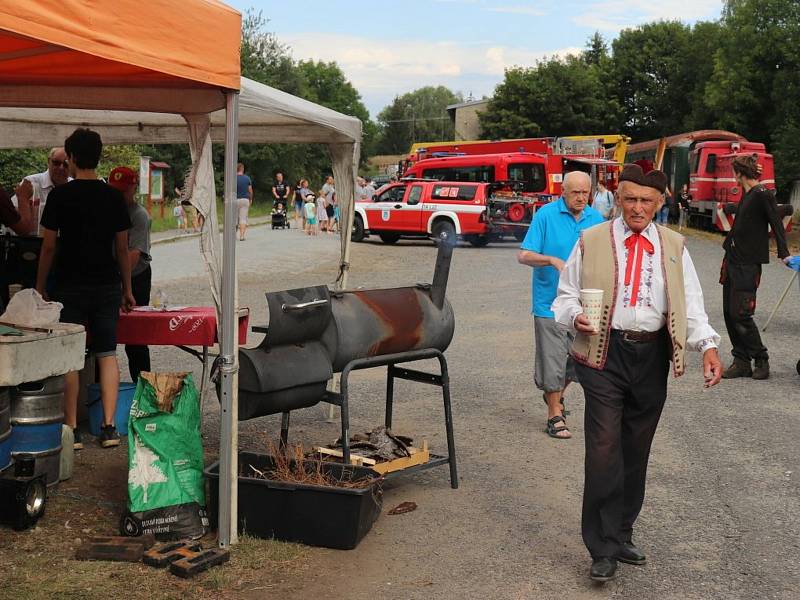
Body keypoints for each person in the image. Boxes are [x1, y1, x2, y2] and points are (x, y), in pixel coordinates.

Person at [552, 164, 722, 582]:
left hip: (650, 358)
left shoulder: (674, 245)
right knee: (605, 447)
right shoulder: (591, 240)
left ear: (661, 203)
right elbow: (565, 295)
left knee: (636, 448)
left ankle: (622, 530)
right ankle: (602, 547)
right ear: (616, 199)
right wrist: (576, 316)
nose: (637, 207)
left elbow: (691, 303)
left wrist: (709, 345)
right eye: (630, 199)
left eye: (647, 200)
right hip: (602, 354)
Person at [36, 128, 135, 450]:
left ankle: (72, 429)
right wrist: (127, 288)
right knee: (107, 353)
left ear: (73, 158)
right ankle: (108, 428)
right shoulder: (113, 198)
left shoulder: (60, 196)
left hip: (69, 285)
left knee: (71, 358)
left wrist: (40, 285)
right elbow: (122, 249)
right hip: (107, 284)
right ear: (99, 156)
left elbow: (48, 247)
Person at [518, 171, 604, 440]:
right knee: (552, 360)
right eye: (575, 192)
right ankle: (554, 414)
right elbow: (524, 255)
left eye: (585, 192)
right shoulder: (546, 215)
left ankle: (555, 396)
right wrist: (552, 260)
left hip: (585, 304)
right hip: (549, 304)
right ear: (563, 191)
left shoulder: (597, 219)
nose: (580, 198)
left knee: (578, 361)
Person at [719, 154, 791, 380]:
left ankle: (761, 358)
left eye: (734, 172)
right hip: (732, 260)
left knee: (741, 313)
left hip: (747, 264)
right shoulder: (748, 194)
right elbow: (747, 218)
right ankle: (741, 361)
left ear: (739, 173)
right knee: (729, 313)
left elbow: (775, 221)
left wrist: (784, 253)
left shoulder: (762, 194)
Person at [109, 166, 151, 383]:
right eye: (113, 191)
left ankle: (142, 385)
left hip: (136, 276)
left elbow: (132, 255)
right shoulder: (104, 209)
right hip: (110, 273)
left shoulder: (139, 215)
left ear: (133, 188)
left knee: (136, 337)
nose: (118, 196)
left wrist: (123, 286)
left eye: (123, 192)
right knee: (105, 336)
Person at [9, 147, 70, 235]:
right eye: (56, 163)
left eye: (66, 164)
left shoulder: (75, 186)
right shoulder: (31, 183)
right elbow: (13, 216)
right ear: (49, 162)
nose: (61, 167)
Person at [236, 163, 253, 241]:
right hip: (245, 200)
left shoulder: (233, 178)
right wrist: (251, 199)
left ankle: (233, 235)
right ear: (242, 169)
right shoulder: (247, 178)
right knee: (243, 218)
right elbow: (250, 190)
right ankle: (242, 236)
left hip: (234, 200)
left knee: (234, 219)